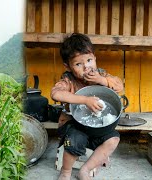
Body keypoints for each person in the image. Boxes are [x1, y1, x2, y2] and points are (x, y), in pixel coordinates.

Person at [50, 33, 123, 180]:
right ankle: (66, 172)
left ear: (95, 58)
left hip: (98, 127)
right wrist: (85, 100)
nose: (86, 67)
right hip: (74, 126)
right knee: (74, 140)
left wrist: (102, 80)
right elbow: (56, 94)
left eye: (89, 60)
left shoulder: (101, 74)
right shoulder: (68, 80)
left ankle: (86, 169)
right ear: (68, 67)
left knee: (113, 139)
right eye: (78, 64)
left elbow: (119, 85)